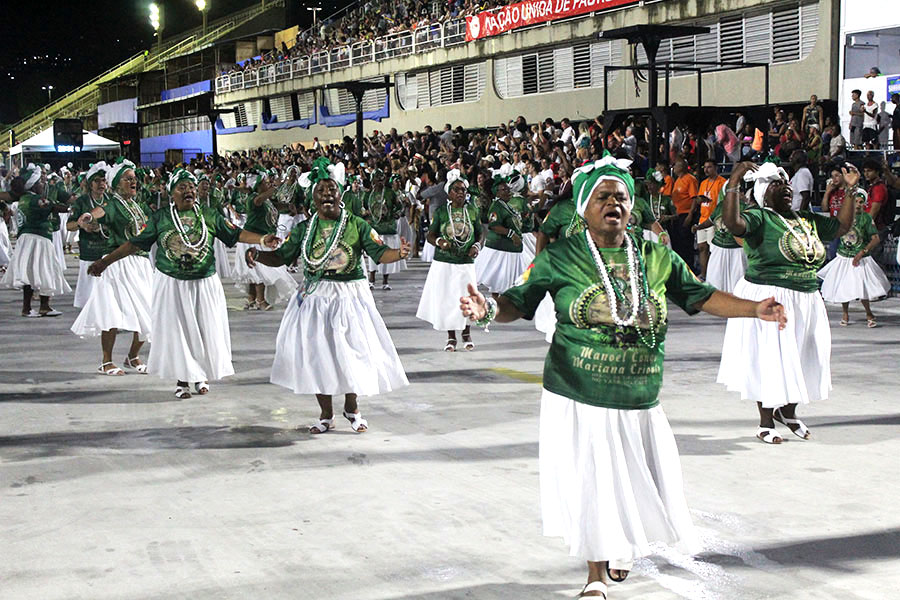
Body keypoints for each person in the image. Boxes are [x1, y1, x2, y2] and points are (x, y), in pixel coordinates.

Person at [459, 153, 787, 599]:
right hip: (579, 394)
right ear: (583, 208)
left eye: (621, 196)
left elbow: (699, 295)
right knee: (591, 480)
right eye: (602, 196)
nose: (614, 202)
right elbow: (519, 300)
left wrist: (754, 309)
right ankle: (595, 575)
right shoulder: (560, 256)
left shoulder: (655, 255)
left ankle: (621, 545)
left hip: (639, 395)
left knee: (637, 480)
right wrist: (488, 309)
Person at [248, 158, 411, 434]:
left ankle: (352, 407)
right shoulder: (304, 229)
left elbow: (379, 253)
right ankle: (325, 414)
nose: (327, 195)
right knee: (316, 354)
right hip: (314, 297)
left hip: (350, 297)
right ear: (312, 198)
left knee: (352, 352)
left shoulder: (357, 225)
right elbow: (282, 256)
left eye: (332, 190)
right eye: (321, 191)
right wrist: (259, 255)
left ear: (340, 193)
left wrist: (399, 253)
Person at [86, 169, 279, 398]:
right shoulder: (161, 218)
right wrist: (105, 262)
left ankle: (201, 375)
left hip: (204, 282)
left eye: (191, 187)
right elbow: (134, 244)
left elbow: (235, 234)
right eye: (182, 187)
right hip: (172, 283)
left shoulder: (208, 215)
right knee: (180, 333)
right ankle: (182, 380)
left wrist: (261, 239)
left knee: (204, 329)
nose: (188, 191)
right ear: (171, 193)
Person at [718, 161, 855, 444]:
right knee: (770, 359)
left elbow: (842, 226)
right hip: (769, 297)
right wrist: (734, 180)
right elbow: (733, 223)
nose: (786, 187)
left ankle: (788, 411)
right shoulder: (759, 218)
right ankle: (765, 421)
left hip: (806, 297)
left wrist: (851, 191)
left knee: (804, 356)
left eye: (786, 182)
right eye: (776, 184)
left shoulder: (806, 219)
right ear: (763, 193)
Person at [71, 158, 153, 376]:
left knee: (150, 313)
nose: (133, 182)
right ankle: (106, 361)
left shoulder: (138, 205)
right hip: (118, 264)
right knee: (112, 313)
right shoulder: (114, 203)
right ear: (117, 184)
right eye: (128, 179)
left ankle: (133, 356)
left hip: (141, 264)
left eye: (134, 179)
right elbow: (101, 211)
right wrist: (88, 216)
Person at [416, 170, 481, 351]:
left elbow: (480, 233)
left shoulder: (472, 210)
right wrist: (439, 241)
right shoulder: (442, 212)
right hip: (445, 262)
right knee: (449, 299)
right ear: (449, 193)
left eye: (463, 190)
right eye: (456, 190)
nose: (460, 193)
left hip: (466, 262)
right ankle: (451, 337)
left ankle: (466, 333)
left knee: (467, 298)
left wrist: (476, 246)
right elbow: (430, 235)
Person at [1, 164, 72, 316]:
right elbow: (55, 207)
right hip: (37, 239)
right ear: (32, 185)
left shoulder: (24, 198)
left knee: (34, 272)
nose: (42, 184)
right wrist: (72, 209)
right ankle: (31, 308)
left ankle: (40, 307)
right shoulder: (36, 200)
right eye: (39, 182)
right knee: (42, 271)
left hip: (31, 239)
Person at [817, 189, 890, 328]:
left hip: (860, 258)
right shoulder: (845, 217)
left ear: (865, 203)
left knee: (862, 287)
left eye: (861, 202)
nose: (858, 205)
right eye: (855, 201)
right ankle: (845, 313)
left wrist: (863, 252)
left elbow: (875, 239)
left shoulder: (866, 218)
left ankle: (869, 313)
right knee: (844, 286)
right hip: (844, 256)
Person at [232, 168, 297, 310]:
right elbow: (259, 200)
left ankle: (251, 299)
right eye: (265, 183)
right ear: (258, 185)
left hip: (262, 238)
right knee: (259, 270)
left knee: (255, 271)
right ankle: (260, 301)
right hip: (253, 238)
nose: (268, 184)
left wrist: (287, 206)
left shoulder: (266, 200)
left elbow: (274, 206)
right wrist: (275, 187)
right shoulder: (253, 198)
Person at [474, 175, 530, 298]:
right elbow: (493, 225)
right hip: (501, 248)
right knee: (499, 279)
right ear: (497, 193)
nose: (508, 191)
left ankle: (503, 302)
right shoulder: (496, 206)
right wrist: (511, 234)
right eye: (504, 190)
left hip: (512, 249)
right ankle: (497, 303)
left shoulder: (507, 205)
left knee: (509, 280)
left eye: (508, 189)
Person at [68, 163, 109, 309]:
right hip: (89, 252)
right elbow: (69, 225)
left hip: (108, 253)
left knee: (107, 294)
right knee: (89, 295)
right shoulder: (82, 201)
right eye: (97, 181)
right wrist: (82, 225)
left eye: (104, 180)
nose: (101, 184)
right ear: (90, 183)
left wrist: (101, 227)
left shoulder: (111, 200)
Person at [364, 169, 406, 290]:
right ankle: (371, 279)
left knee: (387, 253)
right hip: (373, 228)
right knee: (373, 254)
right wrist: (366, 216)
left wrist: (396, 214)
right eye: (377, 179)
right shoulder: (368, 194)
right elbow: (363, 209)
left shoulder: (390, 193)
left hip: (387, 228)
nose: (380, 182)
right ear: (372, 180)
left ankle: (385, 281)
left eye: (382, 179)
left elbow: (399, 207)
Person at [689, 160, 726, 280]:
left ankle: (713, 275)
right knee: (702, 248)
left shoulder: (722, 182)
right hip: (702, 218)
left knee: (712, 249)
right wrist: (700, 200)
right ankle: (704, 274)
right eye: (705, 167)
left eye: (709, 167)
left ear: (715, 167)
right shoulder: (703, 183)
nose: (706, 170)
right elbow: (699, 198)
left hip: (714, 220)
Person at [666, 159, 699, 270]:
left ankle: (690, 267)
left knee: (686, 242)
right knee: (678, 241)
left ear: (682, 167)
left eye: (676, 165)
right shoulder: (677, 180)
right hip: (677, 215)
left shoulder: (690, 179)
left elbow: (694, 198)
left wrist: (690, 215)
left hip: (686, 214)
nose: (674, 168)